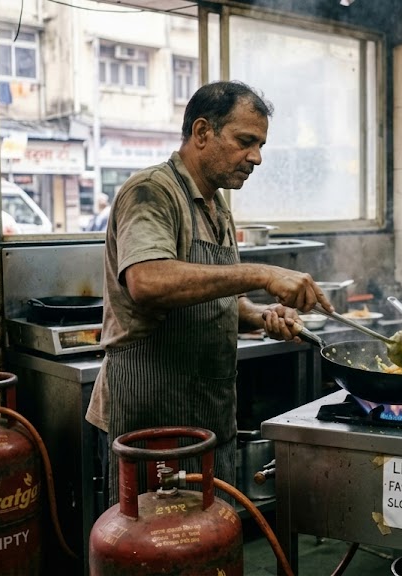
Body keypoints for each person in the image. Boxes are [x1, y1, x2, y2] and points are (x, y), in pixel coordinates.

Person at [85, 80, 332, 504]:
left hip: (210, 411)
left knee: (213, 532)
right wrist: (261, 273)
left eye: (260, 145)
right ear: (202, 132)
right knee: (157, 537)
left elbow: (221, 299)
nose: (256, 157)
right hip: (153, 414)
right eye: (245, 141)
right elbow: (148, 281)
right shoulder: (151, 191)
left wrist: (261, 315)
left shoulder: (217, 206)